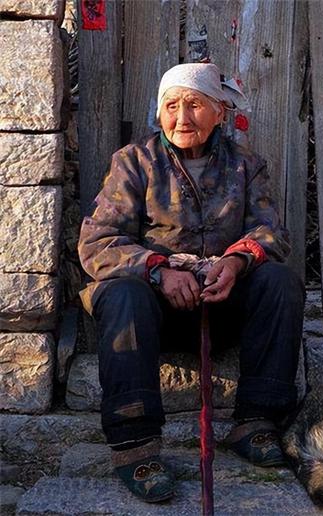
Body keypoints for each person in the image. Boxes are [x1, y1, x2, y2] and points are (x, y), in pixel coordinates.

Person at [77, 62, 304, 502]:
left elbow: (271, 232)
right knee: (122, 293)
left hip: (221, 304)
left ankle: (257, 422)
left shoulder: (246, 166)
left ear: (220, 111)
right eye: (172, 106)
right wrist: (158, 270)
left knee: (279, 280)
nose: (182, 117)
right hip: (154, 311)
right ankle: (135, 444)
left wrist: (237, 262)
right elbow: (98, 241)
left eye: (195, 105)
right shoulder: (133, 163)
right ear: (159, 113)